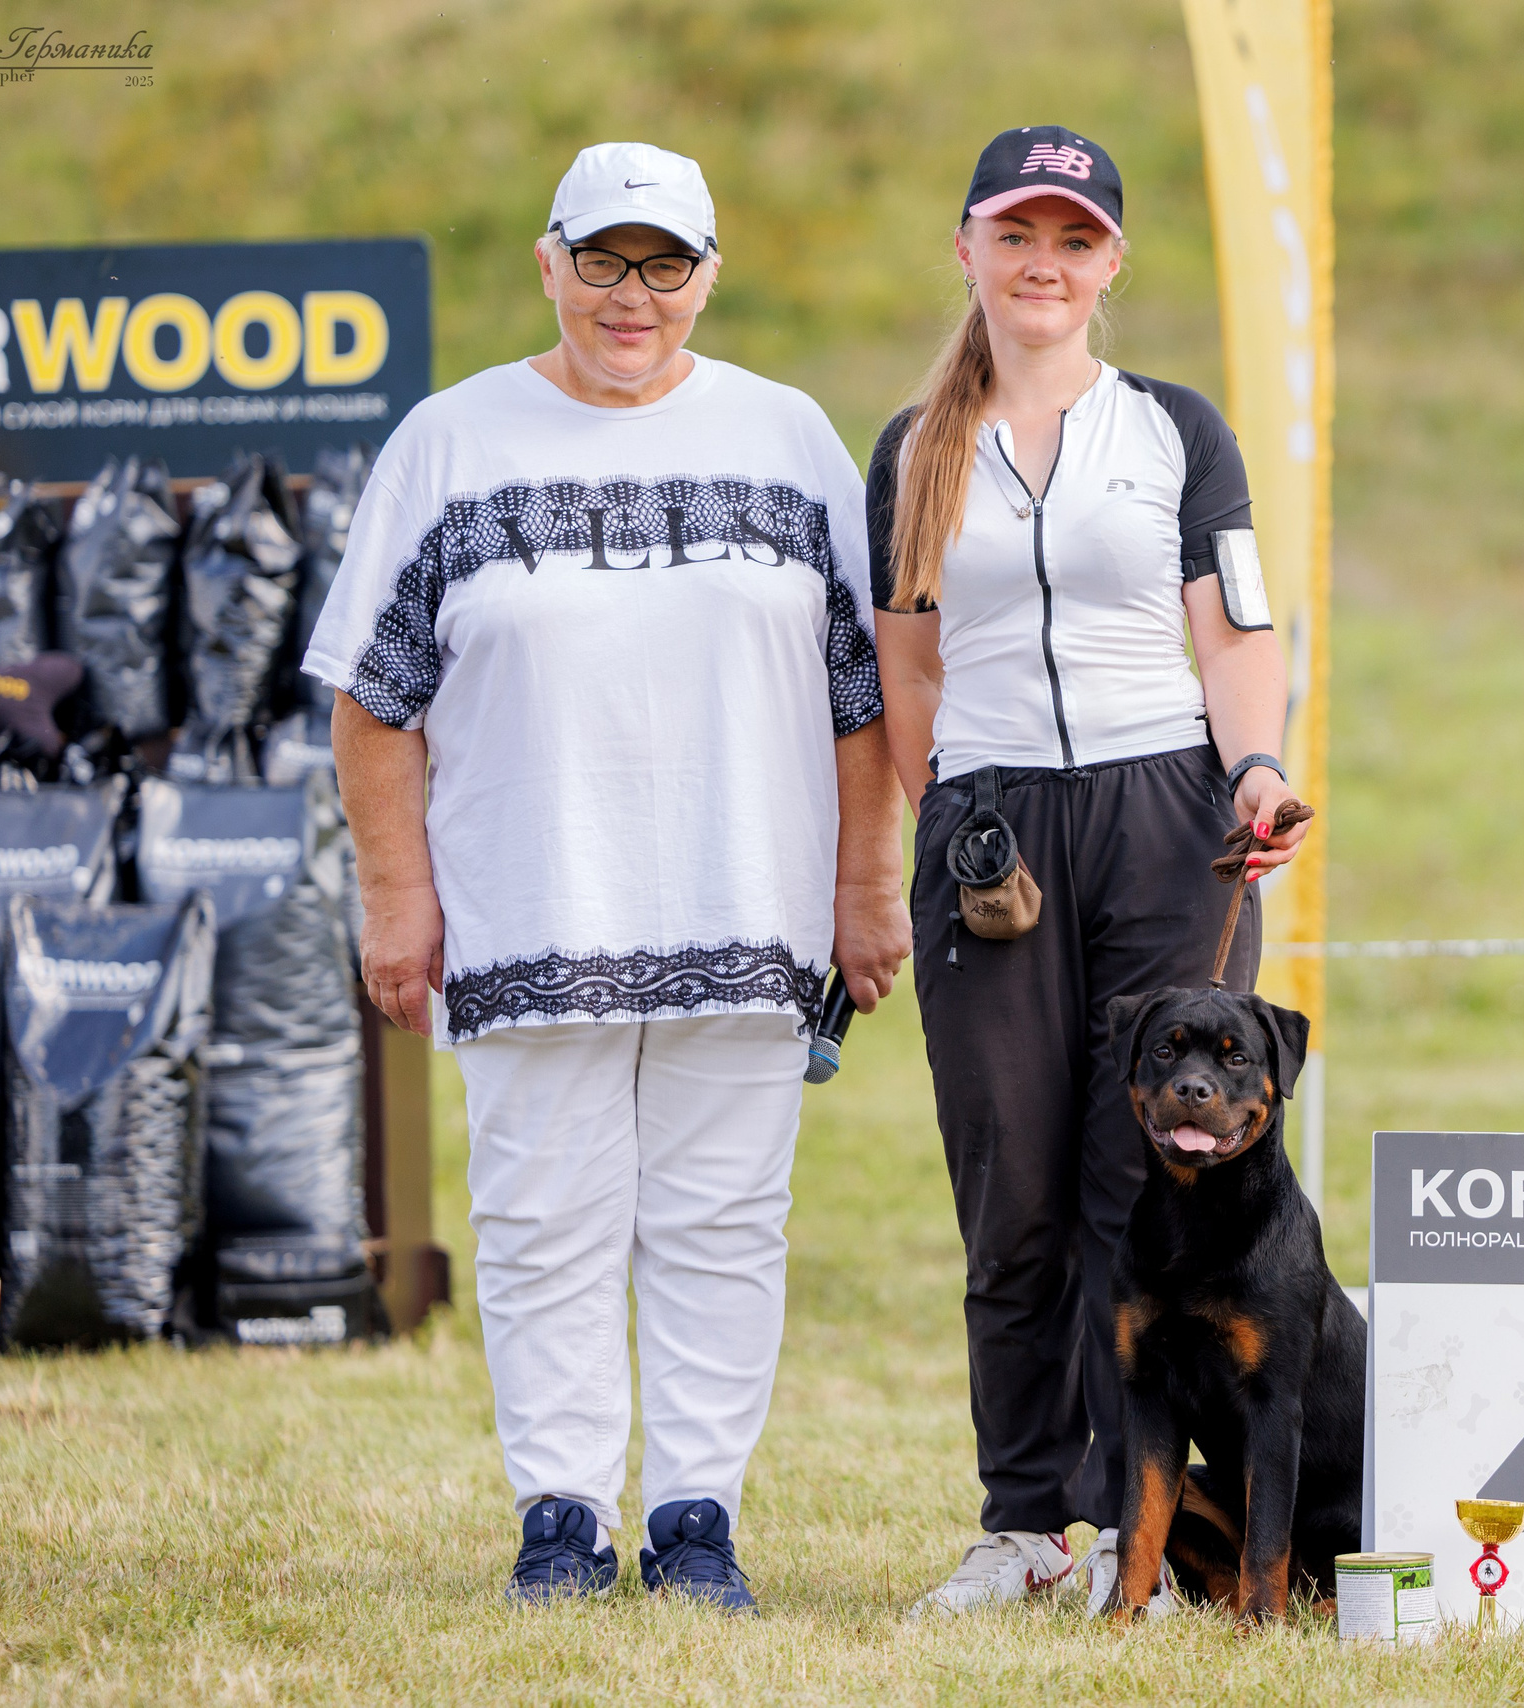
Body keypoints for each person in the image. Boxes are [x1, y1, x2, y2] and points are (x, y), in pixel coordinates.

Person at [306, 141, 908, 1610]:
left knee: (723, 1222)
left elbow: (864, 690)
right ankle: (560, 1518)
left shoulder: (788, 437)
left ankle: (698, 1519)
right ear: (549, 261)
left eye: (666, 266)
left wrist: (865, 885)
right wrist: (397, 901)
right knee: (542, 1218)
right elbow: (373, 702)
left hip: (747, 907)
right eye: (603, 260)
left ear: (710, 275)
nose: (631, 297)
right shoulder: (450, 442)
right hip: (530, 906)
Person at [870, 126, 1308, 1617]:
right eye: (1015, 233)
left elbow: (1236, 634)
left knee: (1155, 1173)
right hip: (993, 825)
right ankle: (1023, 1528)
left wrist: (1254, 768)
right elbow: (907, 671)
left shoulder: (1177, 428)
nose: (1042, 261)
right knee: (1014, 1184)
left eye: (1072, 237)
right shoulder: (915, 448)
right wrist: (947, 836)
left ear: (1111, 259)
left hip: (1165, 809)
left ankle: (1157, 1542)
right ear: (971, 250)